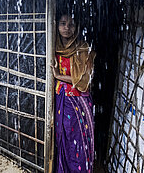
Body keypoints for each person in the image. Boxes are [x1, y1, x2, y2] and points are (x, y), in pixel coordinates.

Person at [51, 14, 96, 173]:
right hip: (60, 99)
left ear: (77, 27)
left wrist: (58, 75)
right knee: (62, 138)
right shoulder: (52, 47)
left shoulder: (84, 49)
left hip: (79, 102)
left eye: (71, 24)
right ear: (56, 25)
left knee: (78, 141)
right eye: (63, 24)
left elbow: (85, 80)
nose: (66, 28)